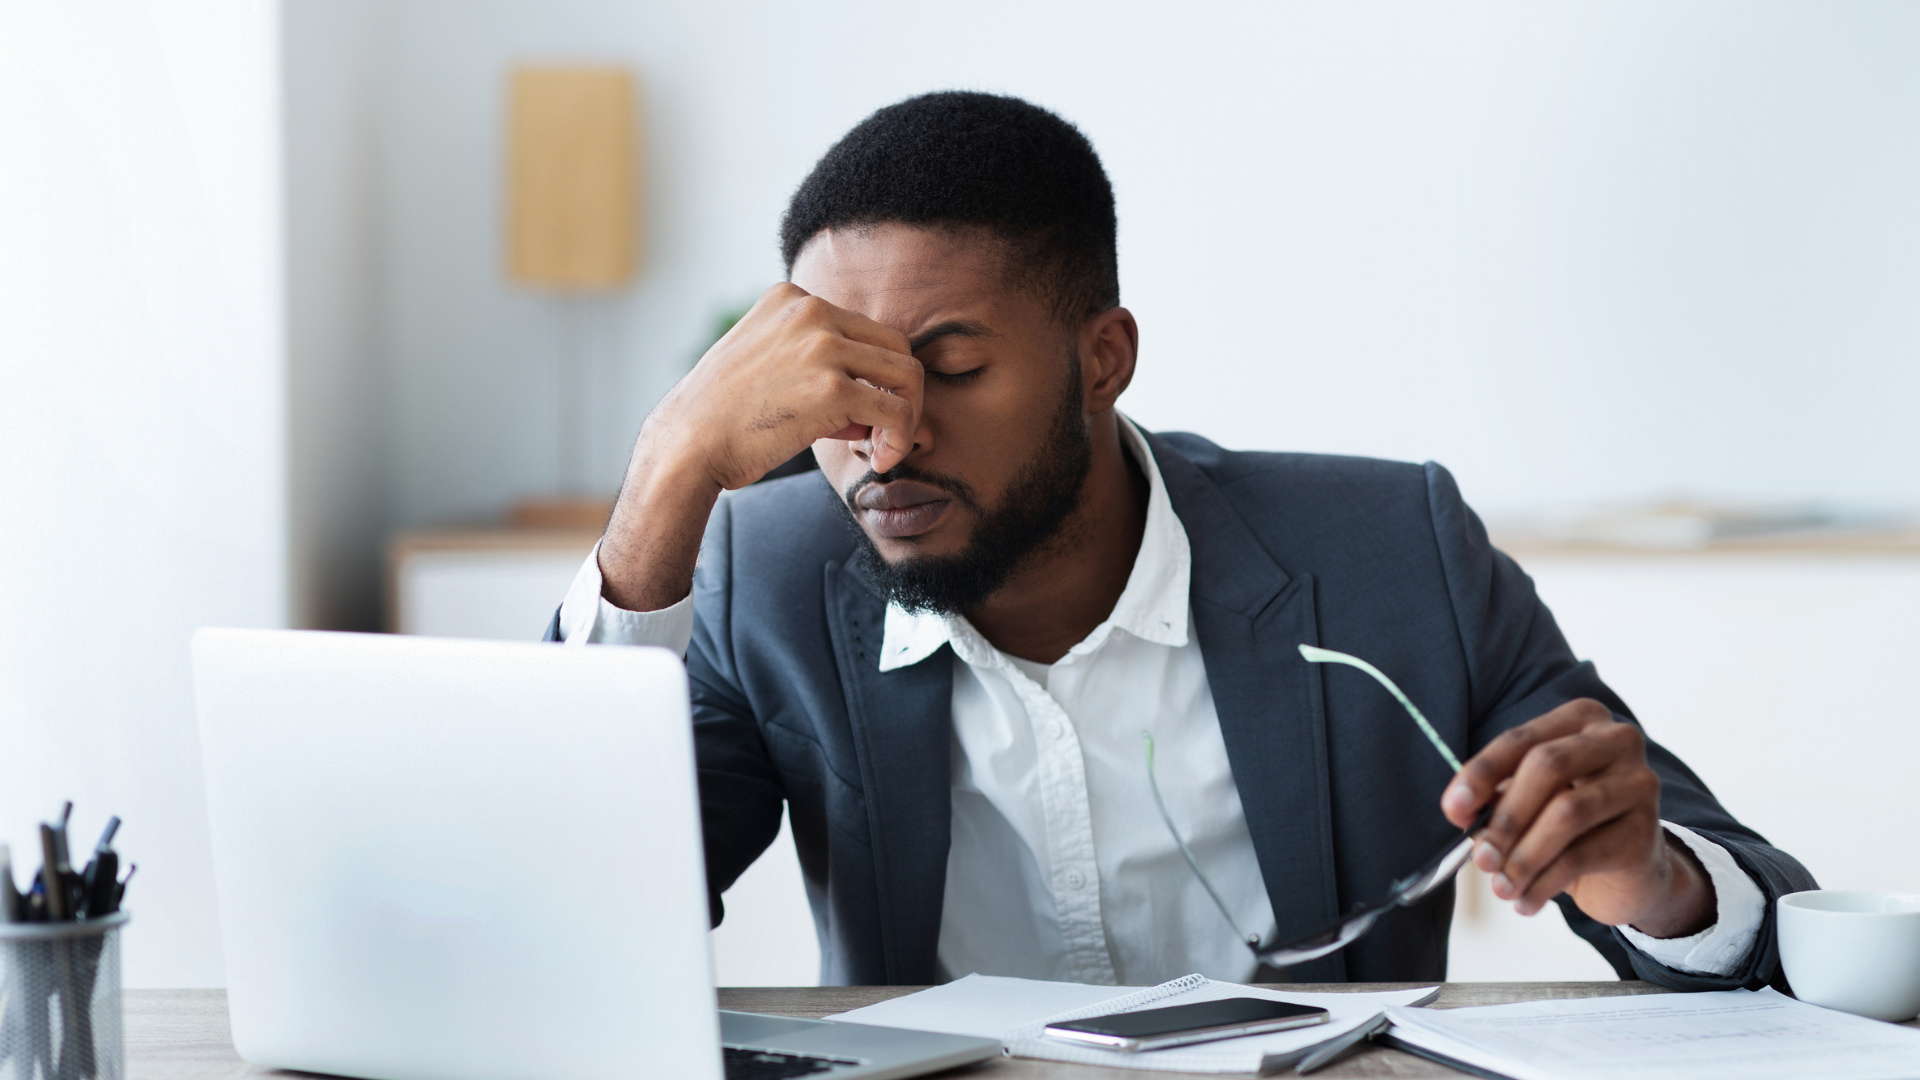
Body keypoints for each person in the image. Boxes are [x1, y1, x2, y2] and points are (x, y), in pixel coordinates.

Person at [547, 91, 1812, 989]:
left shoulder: (1391, 552)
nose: (886, 442)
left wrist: (1651, 880)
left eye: (952, 368)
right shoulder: (762, 575)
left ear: (1104, 361)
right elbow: (568, 932)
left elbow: (1774, 931)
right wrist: (669, 473)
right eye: (844, 384)